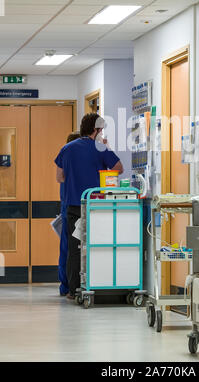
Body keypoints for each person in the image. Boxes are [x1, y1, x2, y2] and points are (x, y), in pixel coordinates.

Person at [55, 113, 123, 299]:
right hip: (95, 206)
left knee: (74, 247)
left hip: (73, 206)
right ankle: (97, 284)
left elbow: (59, 177)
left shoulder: (66, 149)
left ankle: (72, 290)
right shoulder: (100, 148)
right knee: (98, 245)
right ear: (97, 130)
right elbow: (119, 168)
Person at [58, 131, 81, 297]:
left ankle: (66, 285)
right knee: (71, 249)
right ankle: (68, 285)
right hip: (71, 210)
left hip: (68, 209)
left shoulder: (67, 163)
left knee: (67, 249)